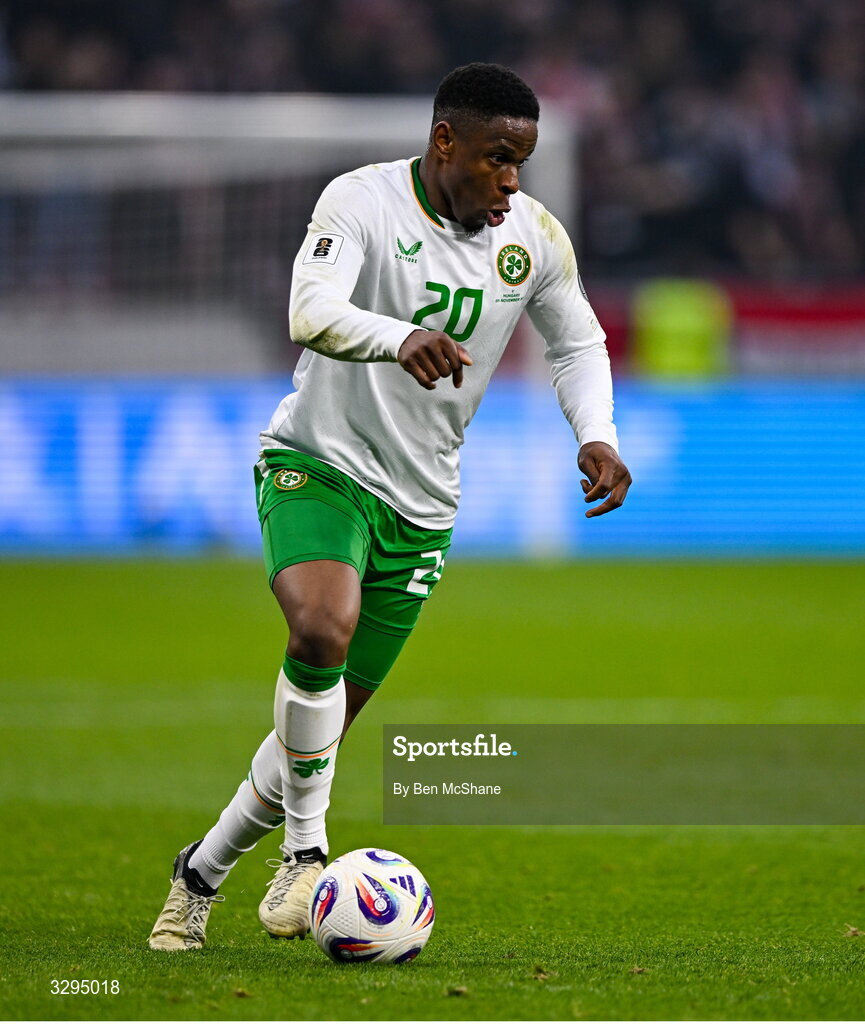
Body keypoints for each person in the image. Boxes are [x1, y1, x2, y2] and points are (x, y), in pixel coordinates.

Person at [148, 62, 631, 951]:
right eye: (495, 158)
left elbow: (579, 343)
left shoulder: (532, 237)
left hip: (421, 505)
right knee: (320, 632)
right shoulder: (361, 202)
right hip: (319, 464)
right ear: (444, 141)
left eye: (520, 161)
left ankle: (199, 872)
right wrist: (395, 336)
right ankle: (305, 851)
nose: (510, 180)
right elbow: (309, 309)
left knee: (318, 727)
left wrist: (594, 431)